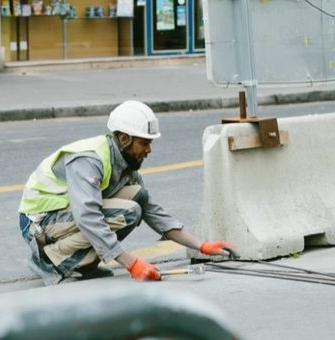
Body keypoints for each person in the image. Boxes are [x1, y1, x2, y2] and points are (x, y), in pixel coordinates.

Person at [18, 100, 236, 285]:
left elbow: (152, 210)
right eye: (144, 143)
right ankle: (50, 260)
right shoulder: (89, 160)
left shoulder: (124, 162)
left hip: (62, 218)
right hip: (39, 224)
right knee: (128, 212)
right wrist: (131, 264)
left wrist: (201, 245)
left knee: (137, 197)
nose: (149, 150)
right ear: (124, 139)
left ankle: (83, 264)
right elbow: (88, 217)